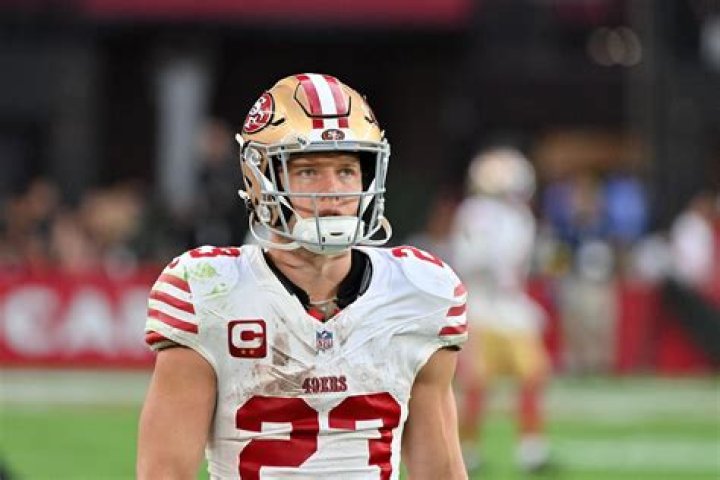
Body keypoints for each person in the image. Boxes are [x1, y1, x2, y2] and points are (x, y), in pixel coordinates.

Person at [137, 73, 469, 479]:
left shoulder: (418, 293)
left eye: (346, 170)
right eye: (309, 171)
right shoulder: (210, 293)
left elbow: (440, 472)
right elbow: (165, 473)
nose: (333, 191)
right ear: (261, 180)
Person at [450, 147, 552, 473]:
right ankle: (467, 451)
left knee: (533, 376)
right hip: (481, 305)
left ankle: (531, 450)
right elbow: (469, 259)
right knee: (476, 383)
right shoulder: (475, 213)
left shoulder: (519, 217)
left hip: (510, 306)